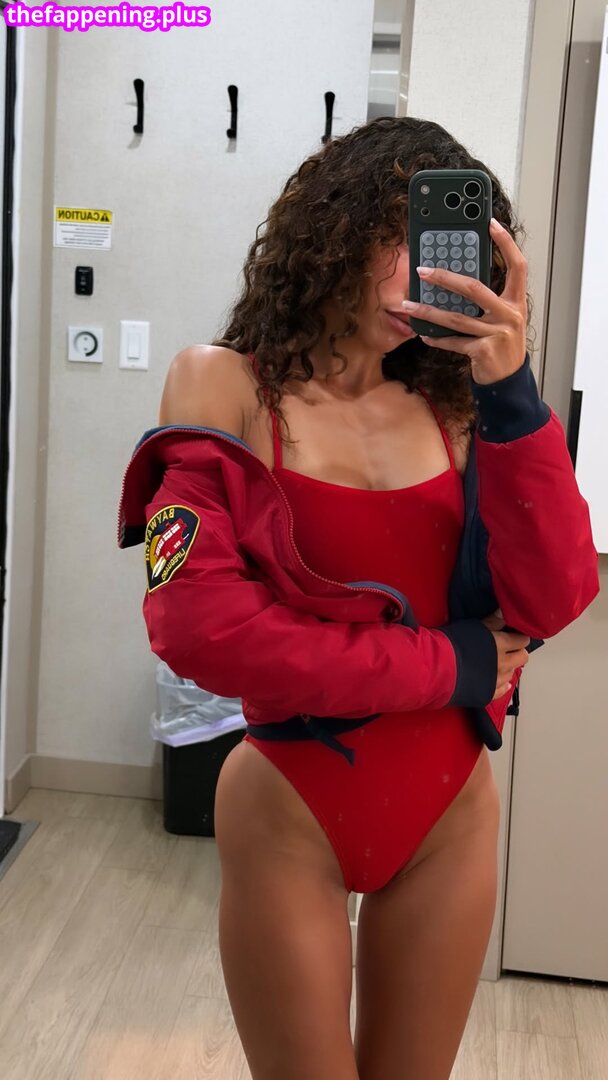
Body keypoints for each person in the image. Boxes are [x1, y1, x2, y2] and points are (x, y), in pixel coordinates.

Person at [118, 116, 600, 1080]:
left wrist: (513, 391)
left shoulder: (459, 407)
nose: (422, 275)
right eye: (398, 238)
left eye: (444, 250)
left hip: (449, 812)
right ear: (332, 229)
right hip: (290, 804)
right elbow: (201, 629)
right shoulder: (223, 385)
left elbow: (552, 598)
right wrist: (451, 664)